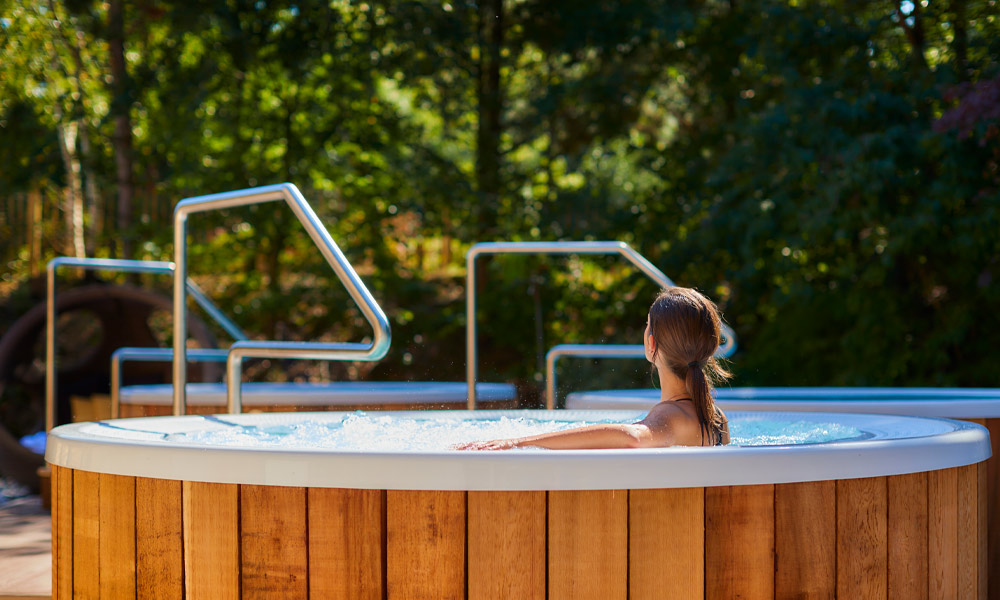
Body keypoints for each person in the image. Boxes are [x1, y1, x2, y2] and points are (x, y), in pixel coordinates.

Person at [456, 287, 731, 450]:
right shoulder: (715, 418)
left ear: (651, 344)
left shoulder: (671, 416)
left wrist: (520, 443)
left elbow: (633, 437)